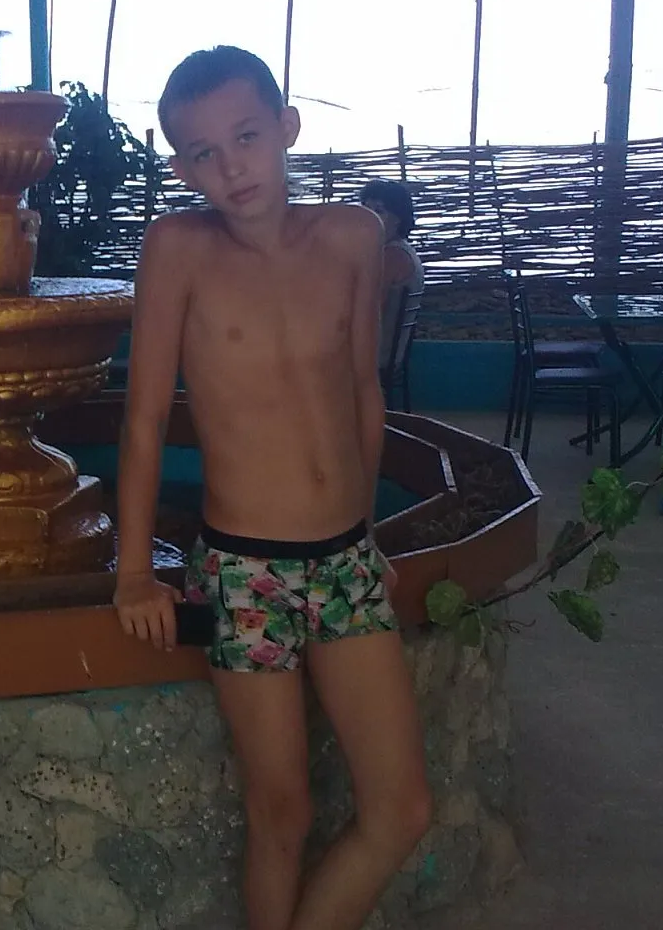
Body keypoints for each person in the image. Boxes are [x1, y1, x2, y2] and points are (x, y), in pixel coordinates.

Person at [113, 46, 432, 930]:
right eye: (205, 152)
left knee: (402, 810)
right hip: (243, 574)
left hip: (346, 564)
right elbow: (143, 422)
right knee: (281, 813)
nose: (232, 166)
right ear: (184, 168)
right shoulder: (177, 249)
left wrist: (368, 533)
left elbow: (362, 391)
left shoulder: (355, 238)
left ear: (287, 128)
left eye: (247, 136)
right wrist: (132, 572)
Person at [358, 178, 424, 376]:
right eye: (365, 210)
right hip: (380, 349)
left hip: (377, 354)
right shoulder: (393, 251)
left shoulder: (392, 257)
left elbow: (368, 311)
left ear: (398, 218)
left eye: (379, 211)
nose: (369, 218)